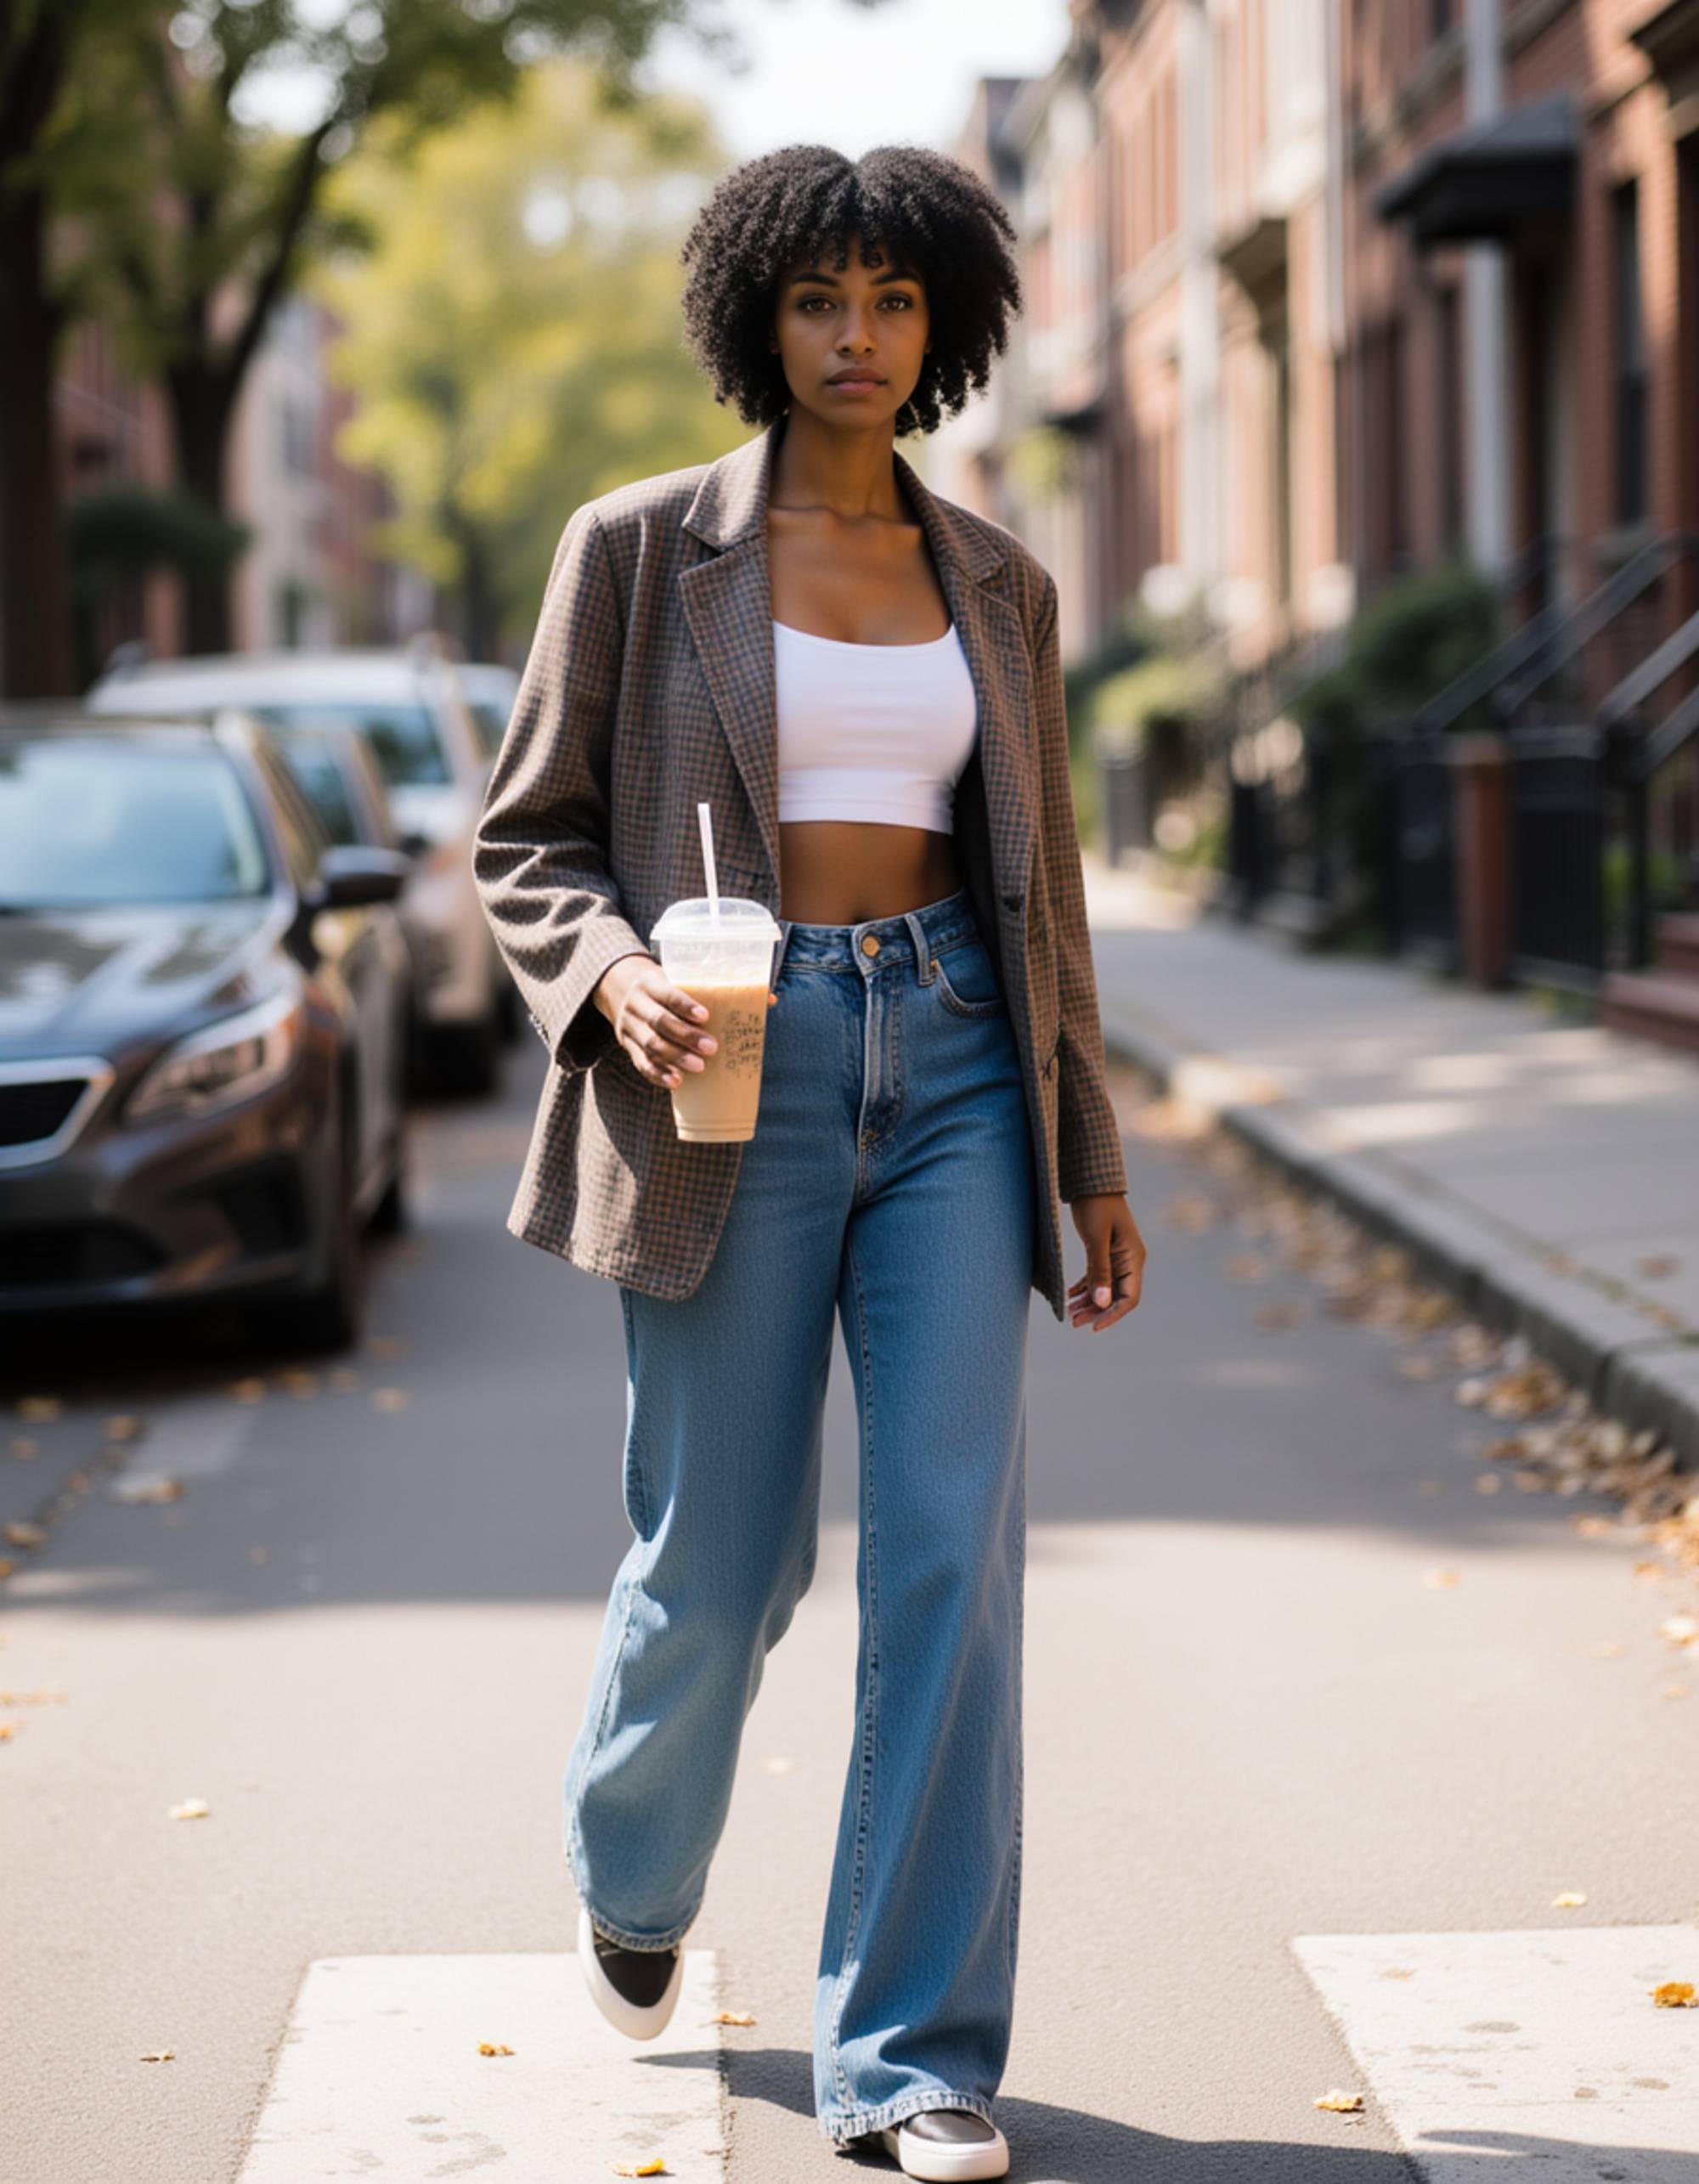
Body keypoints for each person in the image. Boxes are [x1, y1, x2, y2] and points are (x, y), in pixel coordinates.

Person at [472, 142, 1148, 2182]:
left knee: (949, 1547)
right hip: (721, 1084)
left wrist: (1088, 1150)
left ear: (944, 328)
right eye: (817, 302)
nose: (856, 338)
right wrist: (607, 983)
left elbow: (1046, 900)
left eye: (894, 303)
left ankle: (911, 2056)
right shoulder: (634, 551)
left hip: (950, 1060)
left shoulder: (1001, 585)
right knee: (723, 1556)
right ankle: (633, 1859)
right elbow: (525, 837)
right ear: (754, 321)